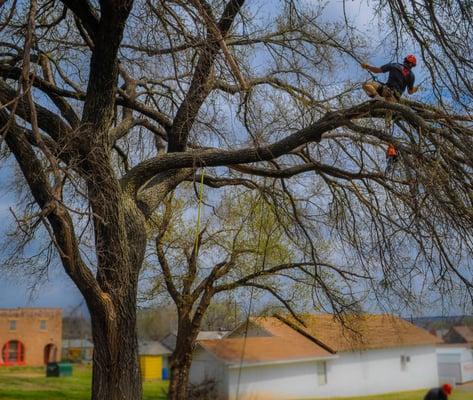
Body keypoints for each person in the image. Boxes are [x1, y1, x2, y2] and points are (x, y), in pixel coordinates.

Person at [361, 54, 419, 171]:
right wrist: (415, 89)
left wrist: (367, 66)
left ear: (405, 61)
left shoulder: (395, 65)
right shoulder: (411, 76)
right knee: (388, 123)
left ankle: (379, 98)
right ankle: (379, 100)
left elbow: (377, 70)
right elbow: (410, 91)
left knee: (367, 85)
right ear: (412, 65)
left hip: (387, 92)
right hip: (392, 96)